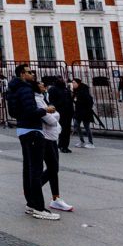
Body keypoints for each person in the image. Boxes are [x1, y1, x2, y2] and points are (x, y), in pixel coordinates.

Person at [6, 65, 60, 220]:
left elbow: (14, 112)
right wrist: (46, 110)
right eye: (30, 72)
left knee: (28, 169)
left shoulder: (13, 89)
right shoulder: (25, 89)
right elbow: (31, 111)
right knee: (35, 170)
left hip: (22, 130)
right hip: (32, 131)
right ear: (23, 74)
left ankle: (30, 203)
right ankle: (38, 207)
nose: (33, 74)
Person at [37, 82, 73, 212]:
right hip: (45, 136)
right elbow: (51, 119)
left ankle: (56, 198)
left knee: (54, 168)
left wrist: (54, 114)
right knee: (53, 167)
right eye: (41, 84)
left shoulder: (42, 98)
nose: (44, 86)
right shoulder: (37, 100)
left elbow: (53, 114)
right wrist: (55, 114)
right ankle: (34, 188)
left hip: (51, 136)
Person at [46, 78, 74, 153]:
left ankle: (65, 145)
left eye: (62, 79)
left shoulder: (66, 89)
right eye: (60, 79)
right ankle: (61, 145)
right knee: (61, 129)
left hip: (68, 112)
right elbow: (51, 101)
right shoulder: (53, 89)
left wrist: (72, 111)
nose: (62, 80)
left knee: (67, 130)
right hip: (59, 112)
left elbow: (70, 101)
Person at [71, 78, 95, 148]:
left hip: (85, 112)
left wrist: (86, 108)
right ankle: (82, 141)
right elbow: (74, 100)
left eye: (74, 83)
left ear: (78, 83)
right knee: (76, 124)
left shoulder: (84, 91)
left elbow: (90, 101)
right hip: (78, 112)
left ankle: (91, 142)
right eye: (72, 83)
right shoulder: (76, 91)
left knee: (86, 126)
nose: (73, 84)